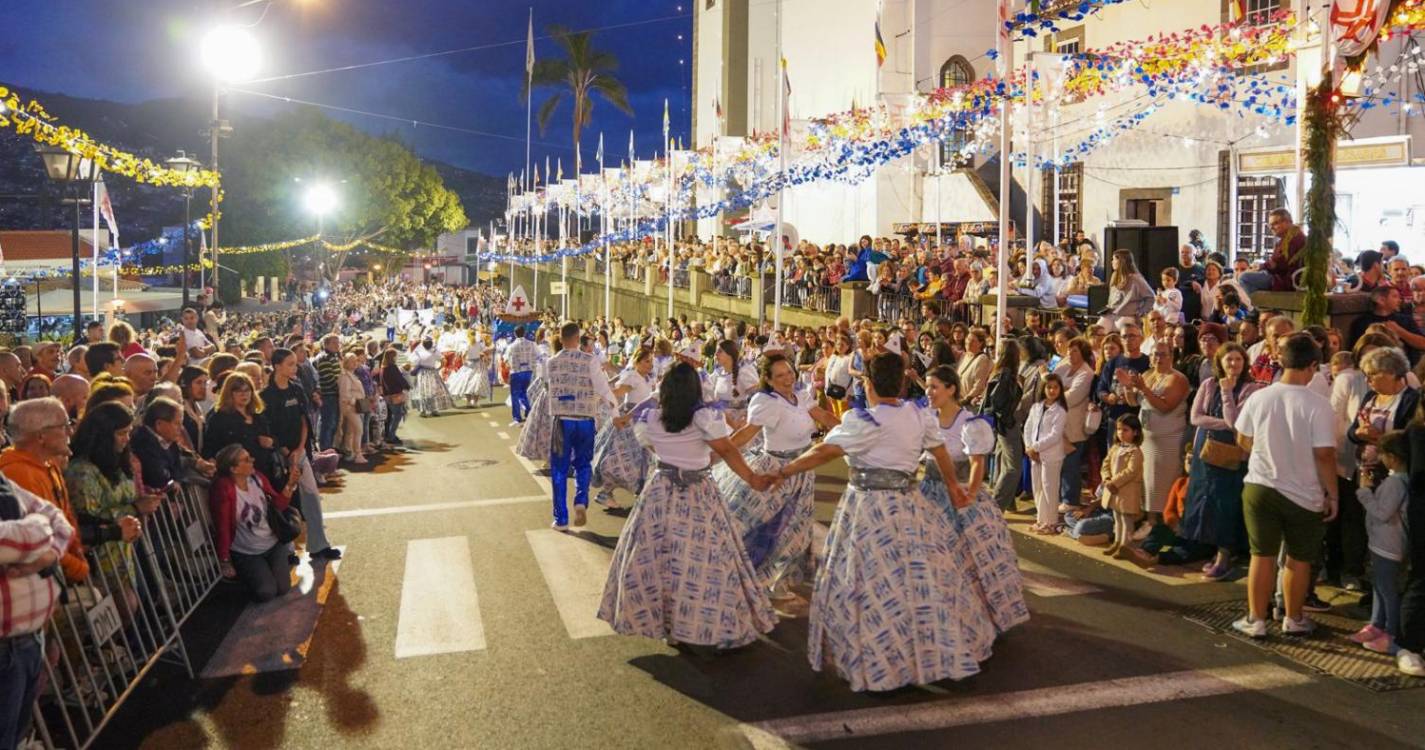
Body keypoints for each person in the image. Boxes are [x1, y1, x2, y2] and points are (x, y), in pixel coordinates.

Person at [773, 352, 995, 691]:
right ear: (902, 383)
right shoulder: (917, 415)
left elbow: (824, 453)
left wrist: (784, 470)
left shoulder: (864, 421)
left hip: (867, 510)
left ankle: (879, 661)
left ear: (869, 384)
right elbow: (939, 452)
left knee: (869, 585)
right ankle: (916, 656)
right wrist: (953, 487)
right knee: (916, 581)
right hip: (909, 507)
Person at [597, 362, 776, 649]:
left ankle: (671, 624)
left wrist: (677, 458)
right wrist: (751, 477)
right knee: (707, 560)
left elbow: (653, 448)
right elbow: (727, 450)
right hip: (698, 492)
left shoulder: (651, 419)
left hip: (660, 492)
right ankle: (707, 625)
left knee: (661, 560)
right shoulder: (705, 418)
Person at [1232, 333, 1338, 638]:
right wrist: (1332, 493)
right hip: (1303, 492)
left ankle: (1256, 619)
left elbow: (1242, 438)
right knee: (1298, 558)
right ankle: (1293, 617)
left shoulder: (1259, 396)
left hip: (1260, 484)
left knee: (1260, 555)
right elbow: (1325, 454)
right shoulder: (1319, 404)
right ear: (1312, 365)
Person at [716, 353, 838, 596]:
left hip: (803, 470)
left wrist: (853, 429)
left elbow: (825, 417)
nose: (787, 378)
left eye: (790, 372)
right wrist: (721, 452)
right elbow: (747, 434)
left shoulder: (801, 396)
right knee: (768, 527)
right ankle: (746, 577)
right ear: (769, 380)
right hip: (775, 472)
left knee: (797, 529)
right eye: (780, 375)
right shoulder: (766, 401)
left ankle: (776, 579)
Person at [919, 365, 1028, 633]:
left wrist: (969, 494)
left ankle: (972, 616)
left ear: (951, 389)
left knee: (968, 558)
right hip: (929, 491)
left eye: (934, 387)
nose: (928, 392)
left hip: (961, 492)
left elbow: (977, 462)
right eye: (927, 386)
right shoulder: (927, 418)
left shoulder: (969, 422)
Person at [0, 469, 73, 750]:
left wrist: (46, 555)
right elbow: (28, 533)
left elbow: (59, 520)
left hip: (28, 640)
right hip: (5, 648)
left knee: (14, 733)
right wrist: (40, 531)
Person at [1183, 343, 1262, 580]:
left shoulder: (1251, 389)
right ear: (1220, 362)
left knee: (1227, 503)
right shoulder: (1208, 384)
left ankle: (1225, 555)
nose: (1233, 364)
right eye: (1229, 360)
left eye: (1238, 360)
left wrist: (1227, 394)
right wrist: (1221, 422)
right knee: (1205, 499)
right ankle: (1211, 547)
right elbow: (1196, 417)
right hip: (1205, 450)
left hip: (1233, 452)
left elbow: (1235, 422)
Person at [261, 348, 340, 562]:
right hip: (278, 458)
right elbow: (268, 429)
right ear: (277, 366)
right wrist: (286, 452)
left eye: (295, 364)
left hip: (300, 453)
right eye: (290, 364)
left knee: (312, 498)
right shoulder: (265, 395)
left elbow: (305, 420)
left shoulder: (296, 389)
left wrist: (299, 449)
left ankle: (318, 545)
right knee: (284, 502)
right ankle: (286, 552)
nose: (294, 368)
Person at [545, 323, 618, 530]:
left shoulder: (551, 362)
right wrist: (615, 413)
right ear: (578, 338)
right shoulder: (590, 360)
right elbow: (603, 389)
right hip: (585, 420)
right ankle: (580, 500)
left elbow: (547, 385)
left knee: (559, 470)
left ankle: (561, 519)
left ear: (561, 337)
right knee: (584, 464)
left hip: (562, 420)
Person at [210, 444, 297, 602]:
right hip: (247, 552)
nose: (252, 460)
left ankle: (266, 570)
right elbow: (222, 525)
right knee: (266, 592)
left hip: (272, 543)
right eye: (246, 459)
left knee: (283, 588)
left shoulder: (258, 478)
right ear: (233, 469)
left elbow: (279, 505)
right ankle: (247, 576)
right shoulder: (224, 488)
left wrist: (290, 484)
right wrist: (224, 559)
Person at [1350, 431, 1408, 655]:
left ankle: (1391, 633)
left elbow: (1383, 512)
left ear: (1392, 457)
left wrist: (1364, 492)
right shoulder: (1398, 481)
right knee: (1379, 586)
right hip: (1382, 544)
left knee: (1387, 589)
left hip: (1388, 546)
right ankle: (1377, 624)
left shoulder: (1396, 483)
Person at [1124, 339, 1189, 528]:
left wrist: (1144, 389)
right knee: (1147, 481)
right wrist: (1128, 386)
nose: (1158, 358)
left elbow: (1165, 407)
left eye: (1163, 354)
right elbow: (1134, 403)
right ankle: (1149, 520)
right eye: (1154, 354)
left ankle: (1163, 523)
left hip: (1167, 441)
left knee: (1162, 483)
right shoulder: (1148, 374)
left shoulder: (1178, 378)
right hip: (1146, 438)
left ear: (1171, 356)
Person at [592, 348, 656, 509]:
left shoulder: (647, 378)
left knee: (644, 458)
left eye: (651, 361)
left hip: (645, 422)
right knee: (621, 458)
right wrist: (600, 399)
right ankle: (606, 492)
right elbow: (617, 392)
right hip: (630, 421)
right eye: (647, 361)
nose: (650, 365)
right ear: (637, 362)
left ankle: (639, 491)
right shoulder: (632, 377)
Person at [1053, 336, 1096, 513]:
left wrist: (1059, 392)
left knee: (1071, 465)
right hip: (1058, 425)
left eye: (1075, 350)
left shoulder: (1086, 374)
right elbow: (1049, 384)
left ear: (1083, 353)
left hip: (1074, 427)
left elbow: (1071, 398)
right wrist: (1061, 390)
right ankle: (1061, 497)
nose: (1070, 353)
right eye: (1069, 350)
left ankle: (1071, 499)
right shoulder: (1064, 367)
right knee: (1060, 464)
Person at [1100, 414, 1147, 563]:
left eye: (1125, 430)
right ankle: (1117, 542)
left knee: (1127, 520)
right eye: (1119, 429)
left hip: (1127, 491)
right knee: (1117, 517)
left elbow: (1131, 471)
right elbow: (1105, 464)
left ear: (1136, 432)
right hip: (1114, 489)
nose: (1121, 433)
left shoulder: (1135, 452)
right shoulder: (1115, 448)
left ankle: (1126, 546)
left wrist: (1114, 482)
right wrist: (1106, 479)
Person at [1025, 373, 1068, 534]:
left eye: (1056, 387)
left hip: (1051, 455)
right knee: (1037, 487)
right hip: (1035, 455)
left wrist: (1035, 447)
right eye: (1049, 387)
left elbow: (1055, 435)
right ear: (1043, 389)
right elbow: (1028, 427)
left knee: (1049, 488)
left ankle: (1051, 521)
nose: (1052, 390)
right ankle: (1041, 519)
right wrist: (1029, 446)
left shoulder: (1060, 411)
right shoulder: (1036, 407)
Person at [1238, 208, 1305, 296]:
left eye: (1275, 223)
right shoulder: (1284, 240)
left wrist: (1262, 266)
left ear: (1287, 222)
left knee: (1244, 278)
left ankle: (1257, 307)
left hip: (1287, 280)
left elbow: (1281, 263)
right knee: (1248, 275)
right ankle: (1258, 306)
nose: (1271, 228)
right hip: (1279, 276)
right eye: (1270, 225)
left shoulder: (1296, 239)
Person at [1102, 249, 1154, 328]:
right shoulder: (1114, 276)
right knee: (1098, 329)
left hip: (1127, 315)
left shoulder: (1135, 278)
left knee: (1123, 326)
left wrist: (1140, 313)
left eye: (1114, 259)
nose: (1111, 262)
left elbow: (1151, 297)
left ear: (1121, 261)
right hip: (1112, 314)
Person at [409, 338, 455, 418]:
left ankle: (425, 410)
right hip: (431, 372)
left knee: (425, 391)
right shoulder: (433, 351)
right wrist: (440, 367)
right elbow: (443, 360)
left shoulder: (419, 351)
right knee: (432, 391)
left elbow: (413, 363)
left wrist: (440, 367)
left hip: (423, 372)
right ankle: (432, 410)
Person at [313, 334, 343, 450]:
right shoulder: (325, 357)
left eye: (338, 343)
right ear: (326, 344)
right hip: (328, 395)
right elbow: (328, 378)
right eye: (334, 343)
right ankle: (325, 449)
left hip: (334, 394)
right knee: (328, 423)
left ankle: (329, 447)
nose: (337, 345)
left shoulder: (333, 357)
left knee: (333, 423)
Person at [506, 326, 538, 424]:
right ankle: (528, 410)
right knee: (524, 392)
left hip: (516, 372)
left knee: (515, 395)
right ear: (524, 333)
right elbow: (537, 355)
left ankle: (517, 416)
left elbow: (506, 359)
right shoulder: (532, 344)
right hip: (528, 371)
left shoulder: (511, 346)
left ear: (515, 334)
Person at [378, 349, 410, 446]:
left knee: (391, 416)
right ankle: (392, 435)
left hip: (387, 394)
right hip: (395, 394)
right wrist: (406, 386)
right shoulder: (392, 367)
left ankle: (389, 434)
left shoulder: (383, 367)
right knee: (397, 415)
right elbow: (399, 378)